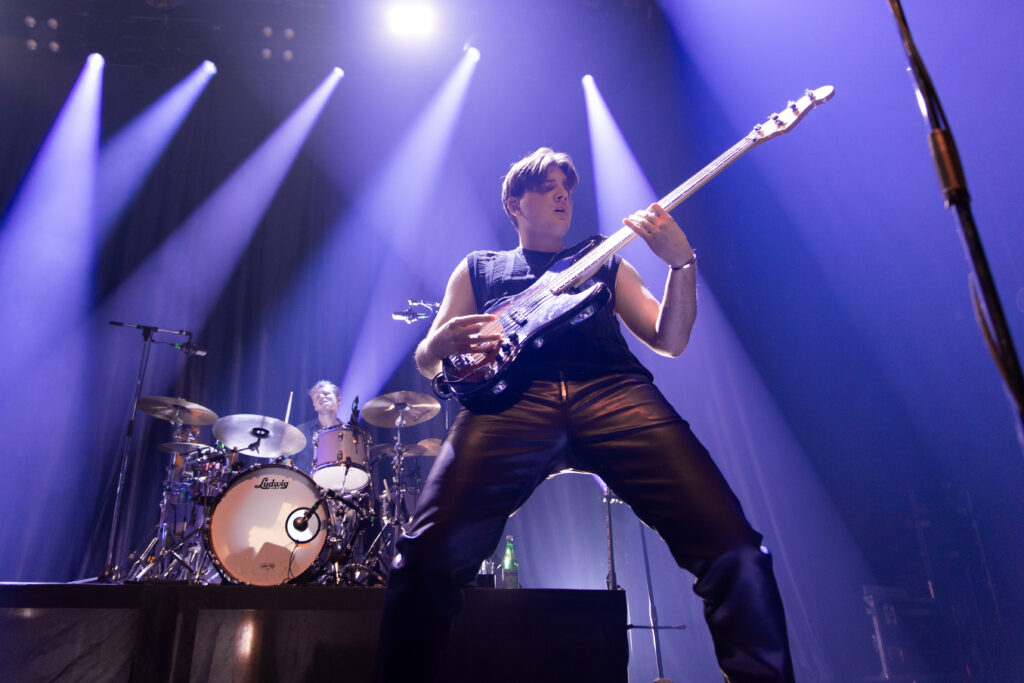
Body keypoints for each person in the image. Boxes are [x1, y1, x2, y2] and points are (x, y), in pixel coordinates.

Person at [373, 148, 794, 682]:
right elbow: (429, 360)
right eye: (547, 186)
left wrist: (681, 263)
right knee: (423, 559)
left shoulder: (603, 255)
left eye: (567, 188)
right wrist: (437, 342)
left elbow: (669, 339)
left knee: (735, 547)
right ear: (513, 205)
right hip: (510, 404)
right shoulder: (480, 268)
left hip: (613, 392)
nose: (562, 195)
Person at [293, 379, 344, 474]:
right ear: (314, 405)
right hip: (305, 487)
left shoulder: (349, 434)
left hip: (341, 486)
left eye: (326, 394)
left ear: (338, 400)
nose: (321, 397)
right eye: (317, 397)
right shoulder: (301, 432)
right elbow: (286, 460)